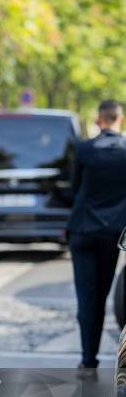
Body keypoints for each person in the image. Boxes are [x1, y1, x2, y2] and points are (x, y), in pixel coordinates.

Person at [68, 99, 126, 379]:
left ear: (98, 120)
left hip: (83, 231)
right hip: (112, 233)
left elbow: (74, 189)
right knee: (101, 294)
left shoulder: (84, 149)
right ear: (120, 119)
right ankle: (94, 355)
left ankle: (88, 359)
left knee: (86, 296)